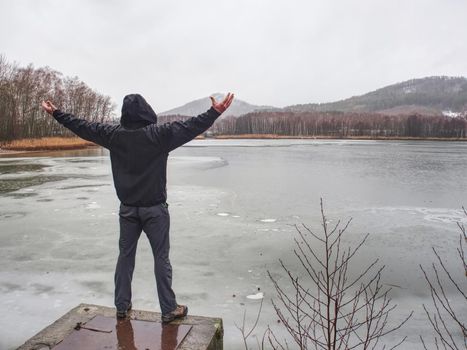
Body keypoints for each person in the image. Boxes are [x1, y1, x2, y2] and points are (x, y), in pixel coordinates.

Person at [41, 92, 234, 323]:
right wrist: (215, 112)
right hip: (155, 210)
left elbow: (83, 126)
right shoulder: (159, 135)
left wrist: (56, 113)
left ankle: (122, 307)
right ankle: (168, 309)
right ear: (147, 111)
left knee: (125, 257)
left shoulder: (113, 135)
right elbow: (189, 127)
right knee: (161, 259)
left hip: (128, 210)